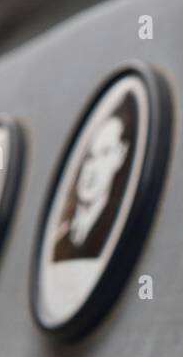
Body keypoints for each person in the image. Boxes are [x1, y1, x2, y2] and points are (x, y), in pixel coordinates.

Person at [52, 95, 135, 261]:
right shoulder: (60, 233)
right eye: (89, 157)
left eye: (104, 153)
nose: (92, 169)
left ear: (120, 155)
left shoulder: (115, 224)